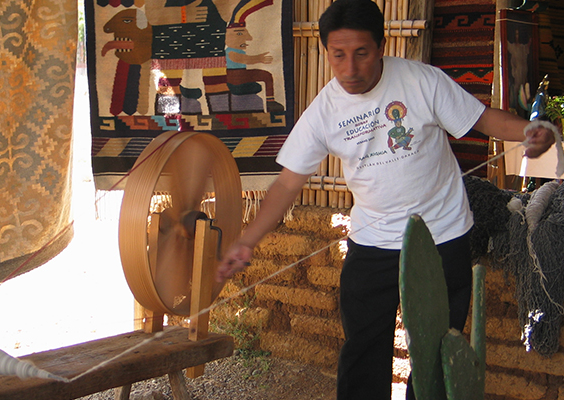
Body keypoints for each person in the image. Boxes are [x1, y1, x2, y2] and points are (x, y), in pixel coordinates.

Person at [215, 0, 557, 398]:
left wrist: (529, 130)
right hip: (372, 244)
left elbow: (482, 119)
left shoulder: (421, 81)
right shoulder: (324, 110)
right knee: (362, 349)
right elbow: (287, 184)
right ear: (326, 52)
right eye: (338, 55)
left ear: (380, 47)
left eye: (361, 53)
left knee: (436, 352)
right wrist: (246, 240)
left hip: (443, 237)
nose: (350, 69)